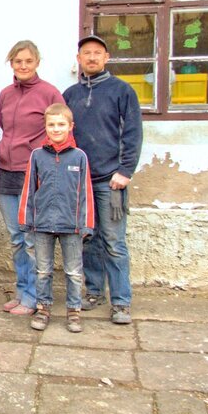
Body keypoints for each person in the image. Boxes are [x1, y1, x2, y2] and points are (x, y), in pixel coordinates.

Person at [64, 35, 142, 325]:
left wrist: (125, 171)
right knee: (88, 240)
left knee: (113, 242)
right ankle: (94, 292)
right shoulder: (70, 94)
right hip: (80, 181)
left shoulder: (122, 91)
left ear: (107, 57)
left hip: (111, 181)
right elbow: (63, 135)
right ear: (79, 59)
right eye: (86, 53)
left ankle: (121, 302)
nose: (92, 57)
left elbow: (133, 133)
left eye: (98, 53)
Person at [0, 40, 64, 316]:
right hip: (6, 172)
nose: (23, 66)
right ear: (11, 63)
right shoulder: (5, 94)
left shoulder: (49, 93)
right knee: (16, 238)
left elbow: (61, 133)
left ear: (37, 62)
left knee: (32, 239)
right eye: (18, 61)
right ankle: (22, 290)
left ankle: (34, 297)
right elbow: (5, 128)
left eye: (28, 61)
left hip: (33, 175)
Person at [19, 104, 93, 333]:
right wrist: (25, 219)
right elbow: (29, 189)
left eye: (61, 124)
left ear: (71, 126)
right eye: (51, 125)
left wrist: (87, 224)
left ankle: (74, 311)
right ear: (45, 127)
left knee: (73, 272)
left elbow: (86, 192)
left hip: (72, 226)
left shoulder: (79, 157)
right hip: (42, 224)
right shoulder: (37, 156)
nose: (56, 129)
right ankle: (43, 309)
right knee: (43, 271)